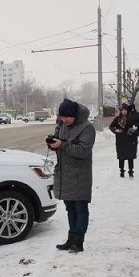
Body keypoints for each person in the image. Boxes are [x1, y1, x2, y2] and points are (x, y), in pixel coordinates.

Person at [47, 99, 96, 253]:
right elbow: (61, 143)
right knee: (70, 208)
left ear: (75, 114)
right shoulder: (62, 125)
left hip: (80, 175)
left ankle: (78, 241)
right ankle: (71, 239)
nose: (65, 119)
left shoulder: (87, 127)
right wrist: (53, 143)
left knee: (80, 208)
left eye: (67, 116)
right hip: (65, 174)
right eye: (62, 117)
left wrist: (62, 145)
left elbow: (83, 151)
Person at [109, 103, 139, 178]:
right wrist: (116, 130)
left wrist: (132, 130)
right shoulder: (117, 119)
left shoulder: (131, 119)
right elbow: (111, 126)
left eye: (125, 110)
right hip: (120, 140)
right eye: (123, 110)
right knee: (121, 156)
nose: (124, 111)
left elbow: (137, 126)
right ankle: (122, 171)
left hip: (129, 140)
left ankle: (131, 171)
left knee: (130, 156)